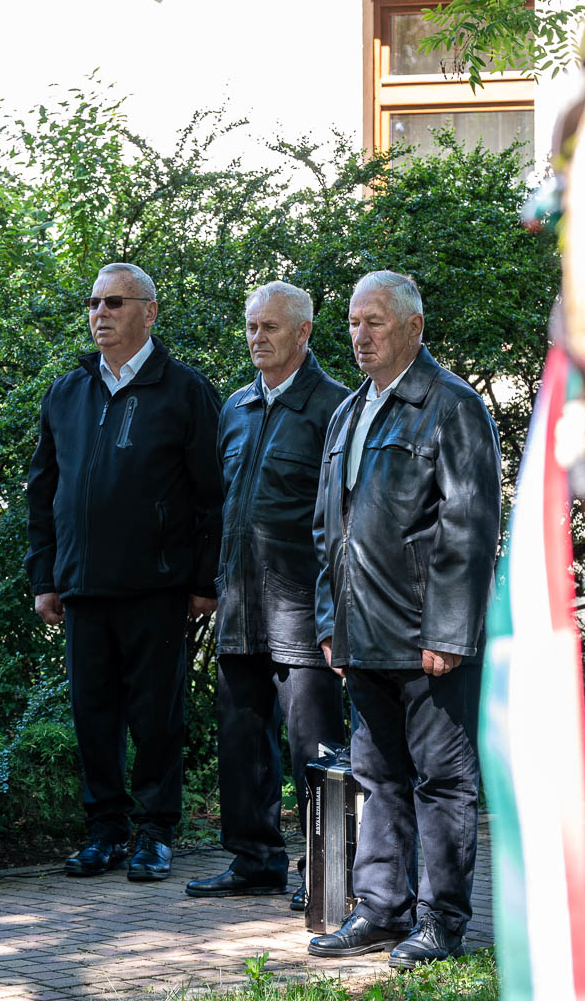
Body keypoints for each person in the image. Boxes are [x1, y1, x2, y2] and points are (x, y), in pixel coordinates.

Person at [306, 271, 500, 968]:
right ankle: (380, 909)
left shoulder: (452, 405)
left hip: (426, 637)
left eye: (376, 322)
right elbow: (326, 529)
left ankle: (441, 922)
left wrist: (447, 632)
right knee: (375, 776)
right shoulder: (347, 411)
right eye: (354, 323)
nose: (360, 336)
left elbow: (469, 529)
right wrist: (329, 621)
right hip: (361, 634)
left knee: (442, 782)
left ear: (414, 327)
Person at [25, 263, 224, 882]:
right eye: (93, 303)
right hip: (82, 587)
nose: (100, 313)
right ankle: (105, 832)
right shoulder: (67, 392)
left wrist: (204, 580)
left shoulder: (184, 390)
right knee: (93, 715)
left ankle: (155, 833)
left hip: (156, 587)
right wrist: (44, 577)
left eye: (114, 302)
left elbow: (212, 496)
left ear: (149, 312)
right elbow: (42, 492)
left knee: (157, 718)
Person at [185, 282, 347, 911]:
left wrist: (334, 611)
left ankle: (328, 870)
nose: (258, 338)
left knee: (314, 748)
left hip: (303, 609)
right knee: (241, 741)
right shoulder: (236, 407)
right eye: (252, 327)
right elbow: (220, 505)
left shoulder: (334, 407)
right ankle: (253, 861)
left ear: (303, 332)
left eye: (271, 327)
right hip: (240, 606)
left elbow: (342, 521)